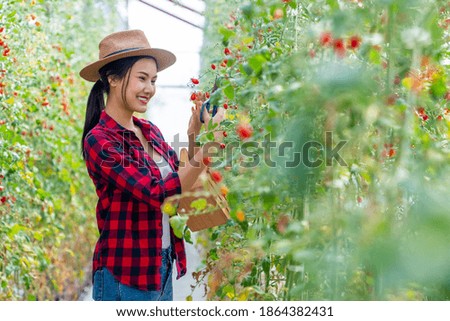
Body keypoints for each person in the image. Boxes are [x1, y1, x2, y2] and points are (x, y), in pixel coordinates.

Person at [79, 29, 222, 301]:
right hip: (126, 274)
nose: (150, 89)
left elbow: (180, 183)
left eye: (154, 80)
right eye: (142, 78)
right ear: (112, 78)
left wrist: (195, 135)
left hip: (161, 264)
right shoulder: (100, 141)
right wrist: (210, 145)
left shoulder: (148, 130)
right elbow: (157, 193)